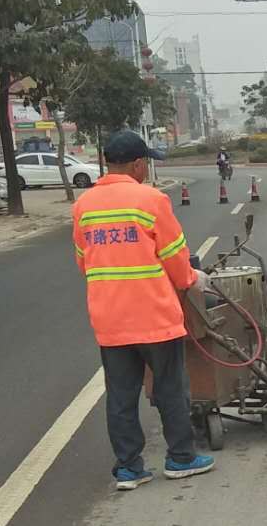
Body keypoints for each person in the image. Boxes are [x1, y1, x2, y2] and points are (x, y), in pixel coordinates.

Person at [72, 129, 215, 490]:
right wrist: (190, 280)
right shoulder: (150, 200)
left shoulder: (83, 206)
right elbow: (176, 260)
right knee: (170, 388)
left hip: (109, 320)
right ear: (137, 164)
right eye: (146, 162)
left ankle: (129, 468)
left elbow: (83, 262)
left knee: (120, 395)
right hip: (154, 317)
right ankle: (181, 458)